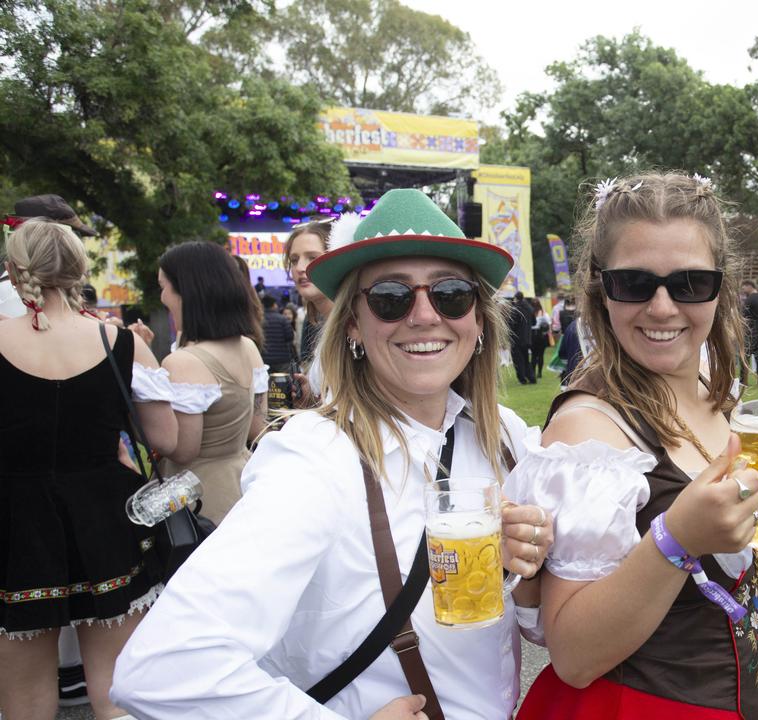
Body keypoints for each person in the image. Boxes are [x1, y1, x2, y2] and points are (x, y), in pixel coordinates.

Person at [112, 188, 553, 719]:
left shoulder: (503, 437)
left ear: (478, 321)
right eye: (391, 298)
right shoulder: (315, 458)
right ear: (352, 327)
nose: (424, 316)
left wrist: (525, 576)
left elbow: (537, 633)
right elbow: (161, 668)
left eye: (451, 294)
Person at [507, 173, 758, 719]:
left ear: (721, 288)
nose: (661, 307)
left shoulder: (715, 391)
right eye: (634, 283)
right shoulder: (589, 432)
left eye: (689, 284)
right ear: (598, 288)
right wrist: (676, 540)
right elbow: (574, 655)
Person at [0, 219, 177, 719]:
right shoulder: (119, 342)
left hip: (17, 526)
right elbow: (165, 440)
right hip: (106, 519)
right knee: (115, 683)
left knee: (24, 692)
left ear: (15, 272)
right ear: (80, 269)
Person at [156, 241, 269, 523]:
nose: (162, 297)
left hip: (200, 499)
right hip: (242, 484)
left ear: (186, 292)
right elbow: (258, 428)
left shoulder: (183, 362)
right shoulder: (248, 346)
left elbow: (183, 450)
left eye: (164, 286)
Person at [284, 220, 334, 367]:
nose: (300, 267)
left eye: (312, 257)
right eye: (294, 260)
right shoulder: (315, 321)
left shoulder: (358, 325)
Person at [260, 294, 296, 373]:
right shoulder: (282, 319)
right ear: (274, 305)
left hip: (264, 359)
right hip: (282, 359)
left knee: (267, 382)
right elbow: (290, 337)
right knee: (284, 382)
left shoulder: (259, 320)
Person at [507, 292, 536, 384]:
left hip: (516, 339)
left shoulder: (515, 310)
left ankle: (522, 379)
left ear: (516, 298)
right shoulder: (530, 309)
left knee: (518, 360)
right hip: (527, 338)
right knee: (526, 359)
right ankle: (531, 377)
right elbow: (534, 323)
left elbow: (511, 325)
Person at [530, 297, 550, 380]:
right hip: (541, 335)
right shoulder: (543, 313)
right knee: (541, 355)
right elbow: (548, 322)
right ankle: (539, 373)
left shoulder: (530, 312)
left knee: (534, 355)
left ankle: (533, 372)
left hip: (532, 335)